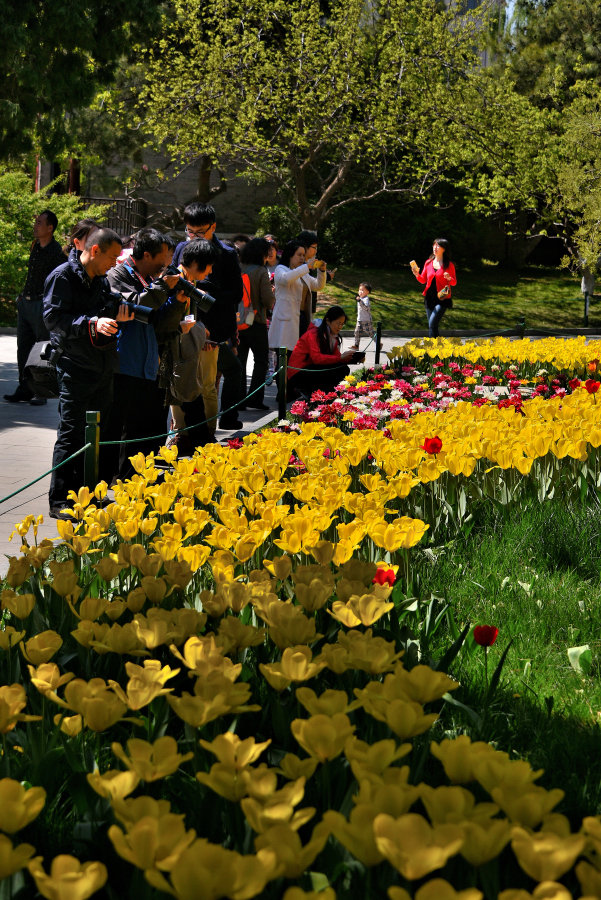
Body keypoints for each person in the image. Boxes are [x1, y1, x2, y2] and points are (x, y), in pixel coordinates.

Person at [43, 227, 133, 518]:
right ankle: (59, 501)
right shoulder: (62, 277)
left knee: (95, 435)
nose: (116, 263)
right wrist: (91, 323)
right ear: (95, 251)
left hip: (103, 365)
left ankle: (89, 495)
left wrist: (118, 310)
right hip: (74, 365)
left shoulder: (100, 279)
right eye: (112, 257)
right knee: (71, 434)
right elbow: (53, 318)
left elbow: (104, 305)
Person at [105, 228, 190, 480]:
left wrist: (177, 301)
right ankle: (112, 480)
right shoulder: (118, 275)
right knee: (119, 428)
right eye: (162, 258)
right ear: (145, 255)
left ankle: (137, 479)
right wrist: (162, 288)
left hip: (147, 363)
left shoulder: (151, 280)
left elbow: (160, 323)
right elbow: (131, 306)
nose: (166, 264)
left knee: (141, 428)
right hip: (123, 362)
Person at [172, 202, 245, 431]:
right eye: (190, 231)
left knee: (209, 384)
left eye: (200, 232)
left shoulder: (227, 254)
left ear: (213, 227)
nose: (194, 237)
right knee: (185, 382)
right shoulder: (181, 248)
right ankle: (181, 432)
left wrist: (206, 292)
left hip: (214, 330)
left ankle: (208, 431)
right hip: (185, 328)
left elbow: (236, 294)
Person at [4, 210, 66, 405]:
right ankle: (25, 388)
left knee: (41, 348)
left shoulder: (56, 252)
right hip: (26, 303)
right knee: (23, 347)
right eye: (36, 221)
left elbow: (58, 281)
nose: (35, 225)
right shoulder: (35, 246)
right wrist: (21, 297)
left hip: (41, 303)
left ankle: (41, 392)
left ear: (50, 228)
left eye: (40, 222)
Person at [168, 238, 219, 453]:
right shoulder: (174, 280)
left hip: (188, 352)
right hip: (177, 355)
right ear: (197, 262)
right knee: (190, 401)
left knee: (194, 398)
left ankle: (199, 445)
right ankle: (199, 446)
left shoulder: (190, 281)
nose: (209, 273)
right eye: (208, 267)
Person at [287, 305, 362, 401]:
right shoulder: (313, 334)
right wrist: (340, 358)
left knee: (343, 369)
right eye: (338, 323)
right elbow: (317, 358)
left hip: (312, 368)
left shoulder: (332, 337)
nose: (340, 327)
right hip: (299, 372)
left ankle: (327, 396)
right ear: (327, 321)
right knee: (335, 372)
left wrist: (353, 358)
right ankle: (316, 396)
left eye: (342, 324)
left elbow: (336, 358)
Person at [268, 240, 326, 356]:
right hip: (285, 321)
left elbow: (318, 285)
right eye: (299, 255)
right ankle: (283, 375)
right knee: (285, 356)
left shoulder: (303, 273)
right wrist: (306, 267)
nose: (302, 258)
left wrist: (322, 271)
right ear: (290, 255)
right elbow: (286, 279)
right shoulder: (281, 269)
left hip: (302, 318)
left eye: (304, 255)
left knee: (299, 355)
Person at [238, 237, 274, 411]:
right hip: (257, 322)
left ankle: (238, 399)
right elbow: (268, 300)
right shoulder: (261, 271)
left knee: (240, 360)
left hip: (238, 321)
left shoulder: (239, 268)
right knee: (261, 361)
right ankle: (254, 397)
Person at [411, 238, 457, 338]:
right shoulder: (428, 262)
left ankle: (432, 349)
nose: (435, 247)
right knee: (433, 326)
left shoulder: (449, 265)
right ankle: (436, 351)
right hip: (429, 298)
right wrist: (417, 274)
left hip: (442, 297)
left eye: (438, 246)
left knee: (432, 324)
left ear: (444, 249)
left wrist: (449, 278)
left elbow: (454, 283)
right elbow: (423, 280)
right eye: (434, 245)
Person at [350, 281, 374, 350]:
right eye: (359, 290)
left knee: (371, 334)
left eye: (363, 290)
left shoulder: (366, 299)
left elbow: (366, 308)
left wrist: (359, 301)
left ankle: (378, 343)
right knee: (356, 332)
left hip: (366, 320)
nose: (360, 291)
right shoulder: (360, 299)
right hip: (359, 319)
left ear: (367, 292)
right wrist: (359, 300)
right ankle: (356, 345)